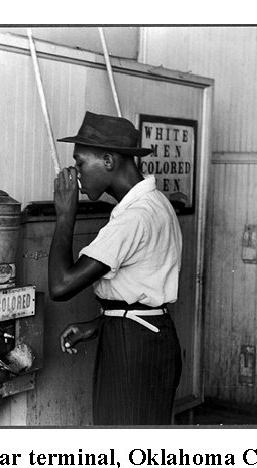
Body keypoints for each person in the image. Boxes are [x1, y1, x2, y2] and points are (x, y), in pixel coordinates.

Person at [48, 111, 183, 425]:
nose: (76, 173)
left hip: (133, 347)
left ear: (108, 160)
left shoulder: (134, 217)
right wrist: (101, 323)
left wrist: (65, 215)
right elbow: (144, 285)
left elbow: (60, 286)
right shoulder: (156, 202)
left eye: (80, 162)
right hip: (147, 334)